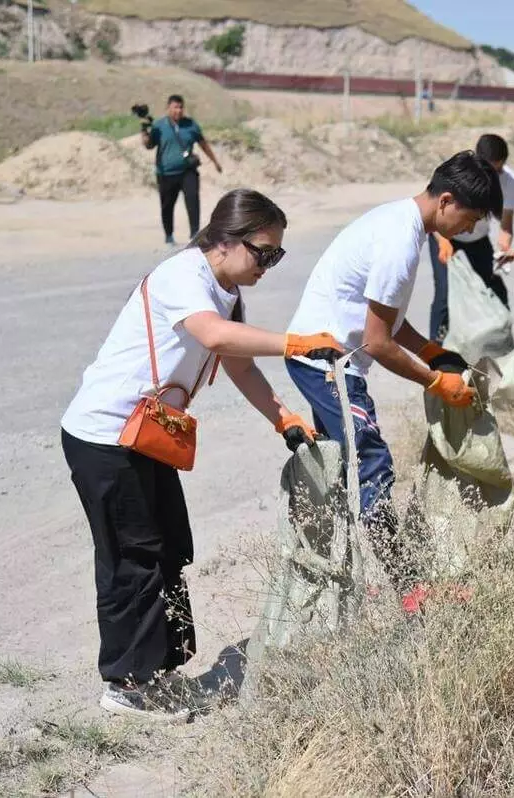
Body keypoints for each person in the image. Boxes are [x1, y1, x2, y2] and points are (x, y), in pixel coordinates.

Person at [60, 189, 342, 722]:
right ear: (226, 241)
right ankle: (126, 685)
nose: (269, 265)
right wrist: (295, 342)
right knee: (132, 557)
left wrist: (283, 417)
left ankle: (159, 673)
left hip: (145, 436)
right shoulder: (182, 276)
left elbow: (235, 362)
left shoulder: (227, 291)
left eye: (277, 256)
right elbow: (212, 335)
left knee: (167, 549)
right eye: (265, 253)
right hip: (104, 436)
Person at [285, 150, 502, 588]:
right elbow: (378, 343)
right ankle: (411, 587)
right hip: (328, 364)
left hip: (328, 359)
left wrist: (432, 351)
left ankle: (337, 578)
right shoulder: (400, 243)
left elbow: (386, 320)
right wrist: (437, 381)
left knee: (342, 472)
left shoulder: (401, 222)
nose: (468, 230)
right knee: (372, 465)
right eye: (470, 219)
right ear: (446, 201)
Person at [426, 134, 514, 341]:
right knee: (445, 292)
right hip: (446, 236)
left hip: (477, 238)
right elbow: (435, 212)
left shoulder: (510, 181)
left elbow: (506, 225)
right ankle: (436, 346)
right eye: (490, 169)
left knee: (496, 288)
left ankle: (502, 341)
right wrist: (443, 243)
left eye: (498, 170)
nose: (494, 176)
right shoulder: (460, 174)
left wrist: (503, 249)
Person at [141, 94, 223, 246]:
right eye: (175, 107)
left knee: (193, 201)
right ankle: (169, 236)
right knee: (167, 205)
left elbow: (203, 144)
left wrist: (215, 161)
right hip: (166, 173)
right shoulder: (159, 126)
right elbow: (149, 145)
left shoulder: (191, 125)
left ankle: (194, 234)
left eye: (180, 107)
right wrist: (144, 131)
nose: (178, 110)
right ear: (168, 108)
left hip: (188, 171)